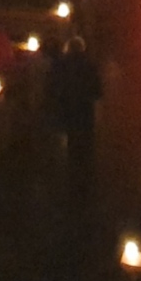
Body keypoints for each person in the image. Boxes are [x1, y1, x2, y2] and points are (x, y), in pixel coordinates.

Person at [47, 31, 103, 195]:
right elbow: (97, 92)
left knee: (72, 141)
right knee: (85, 144)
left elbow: (52, 87)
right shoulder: (90, 66)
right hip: (84, 111)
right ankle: (85, 177)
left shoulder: (60, 65)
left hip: (66, 109)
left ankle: (72, 173)